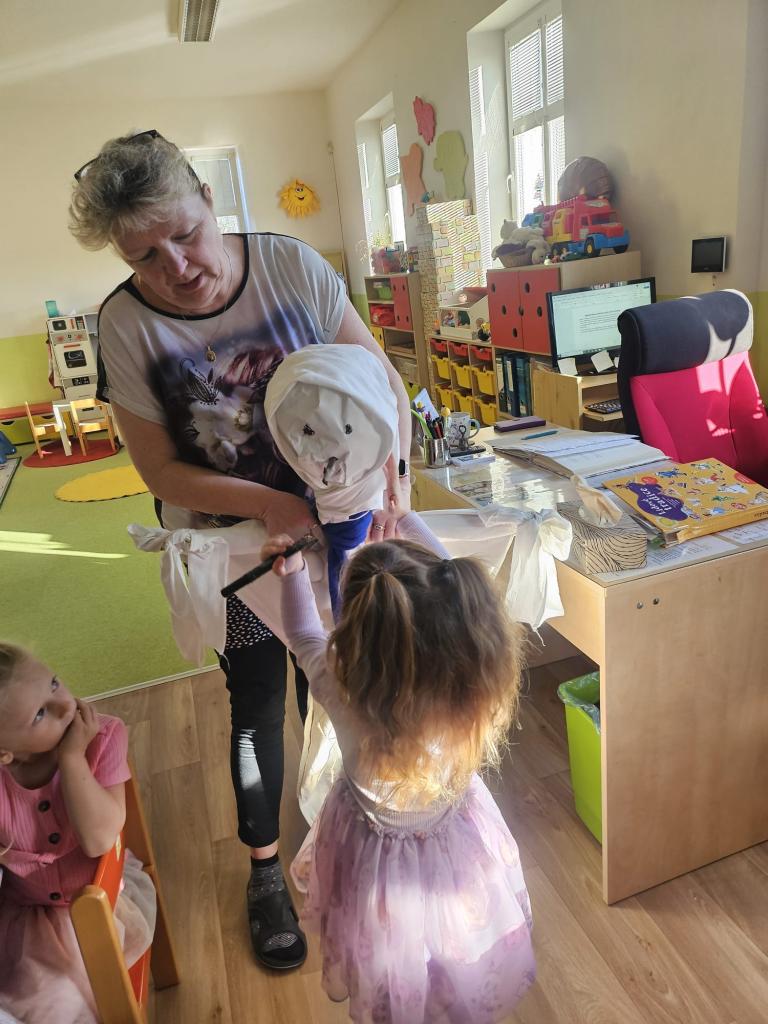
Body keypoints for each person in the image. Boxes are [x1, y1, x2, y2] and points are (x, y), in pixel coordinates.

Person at [68, 129, 412, 969]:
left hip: (341, 528)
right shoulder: (126, 324)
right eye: (144, 257)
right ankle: (264, 871)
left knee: (343, 682)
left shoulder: (290, 266)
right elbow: (160, 469)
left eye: (185, 235)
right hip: (236, 551)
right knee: (257, 698)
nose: (176, 266)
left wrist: (396, 471)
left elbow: (380, 381)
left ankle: (352, 834)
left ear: (209, 201)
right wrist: (268, 504)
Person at [261, 517, 536, 1023]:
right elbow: (453, 582)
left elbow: (303, 635)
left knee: (393, 961)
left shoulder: (342, 692)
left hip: (375, 863)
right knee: (456, 946)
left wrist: (294, 572)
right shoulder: (470, 687)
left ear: (357, 636)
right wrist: (406, 519)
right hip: (457, 842)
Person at [0, 643, 156, 1023]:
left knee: (53, 1005)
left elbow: (99, 840)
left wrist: (71, 759)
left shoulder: (103, 737)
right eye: (40, 714)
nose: (64, 705)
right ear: (5, 753)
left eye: (54, 683)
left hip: (102, 907)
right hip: (25, 915)